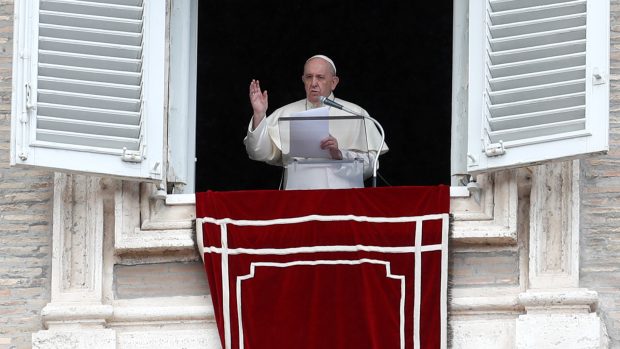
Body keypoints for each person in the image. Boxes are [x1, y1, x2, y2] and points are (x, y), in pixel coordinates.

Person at [244, 54, 388, 190]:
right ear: (303, 80)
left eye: (320, 77)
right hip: (298, 199)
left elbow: (371, 165)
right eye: (309, 77)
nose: (313, 83)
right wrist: (259, 114)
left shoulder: (357, 114)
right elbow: (258, 152)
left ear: (333, 82)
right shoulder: (285, 113)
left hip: (343, 199)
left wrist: (340, 155)